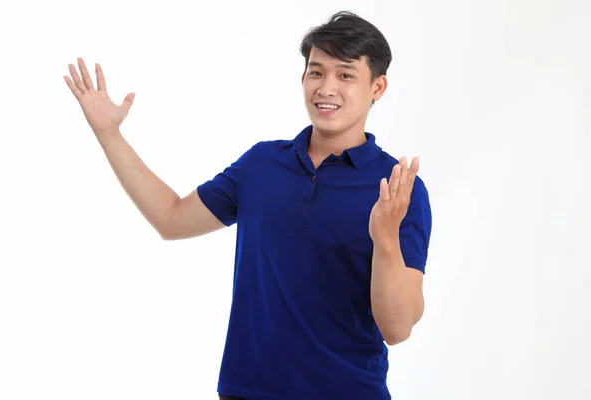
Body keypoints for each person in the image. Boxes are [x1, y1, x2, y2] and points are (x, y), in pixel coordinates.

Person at [64, 10, 432, 400]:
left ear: (377, 87)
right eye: (316, 72)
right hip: (247, 391)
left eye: (345, 75)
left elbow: (398, 328)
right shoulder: (261, 165)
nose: (326, 87)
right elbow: (170, 218)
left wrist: (386, 235)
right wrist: (109, 134)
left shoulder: (397, 188)